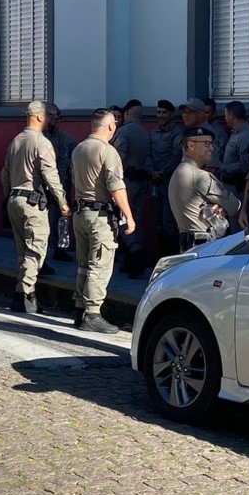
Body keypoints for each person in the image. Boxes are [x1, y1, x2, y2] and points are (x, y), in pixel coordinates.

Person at [0, 101, 71, 314]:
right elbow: (51, 175)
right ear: (39, 117)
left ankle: (28, 295)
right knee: (36, 251)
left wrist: (9, 195)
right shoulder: (42, 142)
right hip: (33, 203)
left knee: (23, 251)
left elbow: (4, 173)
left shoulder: (16, 140)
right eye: (48, 116)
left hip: (15, 199)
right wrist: (62, 201)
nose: (50, 120)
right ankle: (22, 295)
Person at [71, 108, 135, 333]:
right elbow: (116, 187)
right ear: (110, 126)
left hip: (81, 213)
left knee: (83, 265)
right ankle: (92, 313)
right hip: (100, 216)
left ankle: (80, 309)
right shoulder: (108, 151)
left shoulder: (79, 148)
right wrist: (129, 216)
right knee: (100, 264)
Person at [169, 126, 240, 252]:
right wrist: (222, 207)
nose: (212, 148)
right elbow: (234, 205)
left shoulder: (178, 172)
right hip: (204, 246)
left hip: (187, 244)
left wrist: (220, 207)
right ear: (191, 145)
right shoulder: (200, 176)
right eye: (207, 144)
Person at [112, 102, 150, 279]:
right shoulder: (145, 133)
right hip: (141, 181)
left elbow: (118, 159)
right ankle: (134, 254)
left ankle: (135, 252)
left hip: (126, 181)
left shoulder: (124, 132)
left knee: (124, 218)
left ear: (126, 113)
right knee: (137, 217)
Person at [44, 102, 76, 266]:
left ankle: (60, 249)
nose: (56, 120)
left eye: (58, 117)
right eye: (52, 116)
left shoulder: (66, 138)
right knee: (43, 222)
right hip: (43, 188)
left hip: (62, 185)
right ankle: (41, 254)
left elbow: (75, 156)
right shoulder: (38, 138)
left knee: (62, 218)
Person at [149, 99, 182, 257]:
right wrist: (151, 171)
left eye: (164, 112)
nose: (161, 115)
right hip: (155, 182)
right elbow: (148, 154)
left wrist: (162, 172)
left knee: (169, 221)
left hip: (170, 181)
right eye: (159, 112)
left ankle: (171, 257)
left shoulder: (177, 133)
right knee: (157, 220)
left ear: (172, 114)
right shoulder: (153, 133)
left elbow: (176, 155)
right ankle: (160, 256)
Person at [220, 100, 249, 229]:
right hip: (230, 187)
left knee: (237, 227)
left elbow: (245, 166)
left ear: (231, 115)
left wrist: (222, 167)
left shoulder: (245, 136)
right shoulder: (236, 133)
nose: (225, 118)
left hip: (238, 188)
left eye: (226, 114)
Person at [203, 97, 228, 173]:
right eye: (202, 112)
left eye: (206, 112)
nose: (203, 115)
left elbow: (216, 158)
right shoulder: (202, 128)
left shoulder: (218, 132)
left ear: (214, 114)